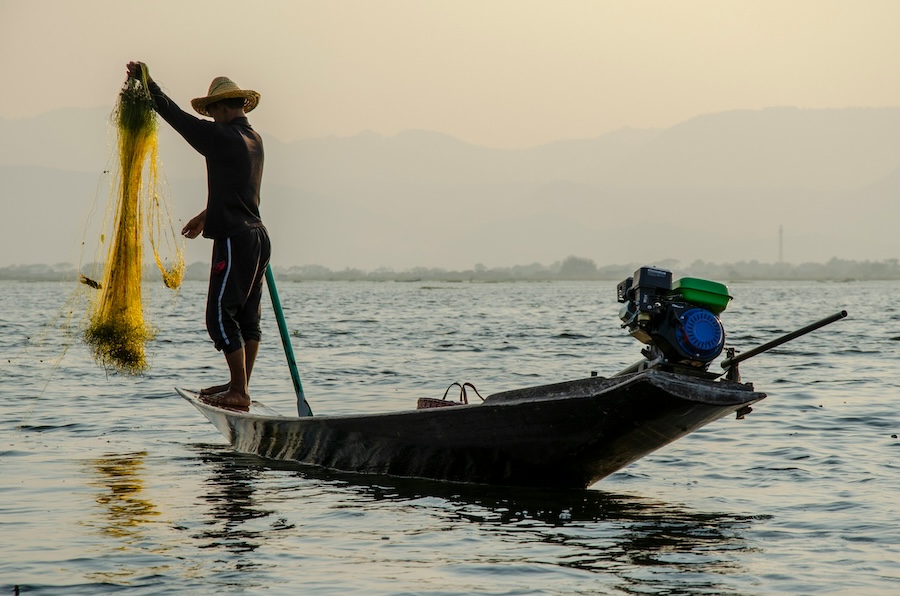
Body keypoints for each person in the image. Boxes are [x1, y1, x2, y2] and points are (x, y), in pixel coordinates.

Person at [126, 61, 270, 410]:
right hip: (258, 236)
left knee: (220, 315)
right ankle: (240, 385)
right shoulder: (254, 139)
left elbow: (178, 119)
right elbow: (238, 187)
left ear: (222, 108)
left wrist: (149, 85)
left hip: (236, 239)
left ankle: (239, 391)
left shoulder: (222, 137)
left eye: (213, 111)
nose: (212, 117)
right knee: (247, 318)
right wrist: (209, 215)